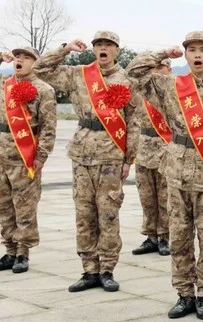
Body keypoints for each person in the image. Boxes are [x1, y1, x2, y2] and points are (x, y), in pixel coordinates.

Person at [128, 32, 203, 320]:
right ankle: (184, 293)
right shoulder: (171, 87)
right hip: (178, 174)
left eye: (202, 49)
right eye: (191, 50)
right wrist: (162, 54)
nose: (197, 55)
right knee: (179, 238)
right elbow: (134, 73)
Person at [36, 32, 136, 293]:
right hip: (82, 153)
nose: (103, 49)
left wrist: (129, 158)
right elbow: (41, 69)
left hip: (112, 154)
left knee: (109, 212)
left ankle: (107, 269)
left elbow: (135, 121)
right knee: (84, 214)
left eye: (108, 45)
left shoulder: (127, 79)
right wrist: (65, 49)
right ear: (93, 49)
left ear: (116, 49)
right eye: (99, 45)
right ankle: (89, 269)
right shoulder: (79, 74)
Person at [0, 48, 57, 274]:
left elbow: (48, 127)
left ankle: (23, 252)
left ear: (35, 62)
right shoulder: (5, 85)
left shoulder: (44, 89)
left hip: (25, 158)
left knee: (24, 207)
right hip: (2, 156)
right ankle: (10, 250)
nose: (20, 61)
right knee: (4, 207)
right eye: (17, 57)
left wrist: (41, 156)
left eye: (26, 57)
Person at [129, 59, 173, 257]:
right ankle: (151, 236)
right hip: (143, 149)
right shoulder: (139, 91)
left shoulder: (173, 90)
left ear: (168, 69)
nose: (154, 73)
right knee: (146, 197)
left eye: (158, 68)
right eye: (151, 69)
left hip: (166, 148)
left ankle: (165, 236)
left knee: (166, 197)